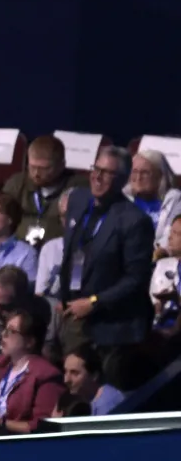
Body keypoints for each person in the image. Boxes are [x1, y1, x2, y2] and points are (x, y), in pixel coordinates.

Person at [54, 145, 155, 354]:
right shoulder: (77, 199)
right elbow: (73, 252)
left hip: (113, 327)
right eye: (96, 169)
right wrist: (67, 295)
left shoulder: (135, 221)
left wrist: (94, 302)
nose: (98, 177)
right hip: (74, 312)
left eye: (108, 173)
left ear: (123, 180)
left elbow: (136, 278)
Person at [0, 309, 62, 434]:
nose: (3, 334)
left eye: (12, 331)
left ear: (29, 342)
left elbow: (42, 427)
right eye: (4, 329)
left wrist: (0, 422)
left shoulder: (47, 375)